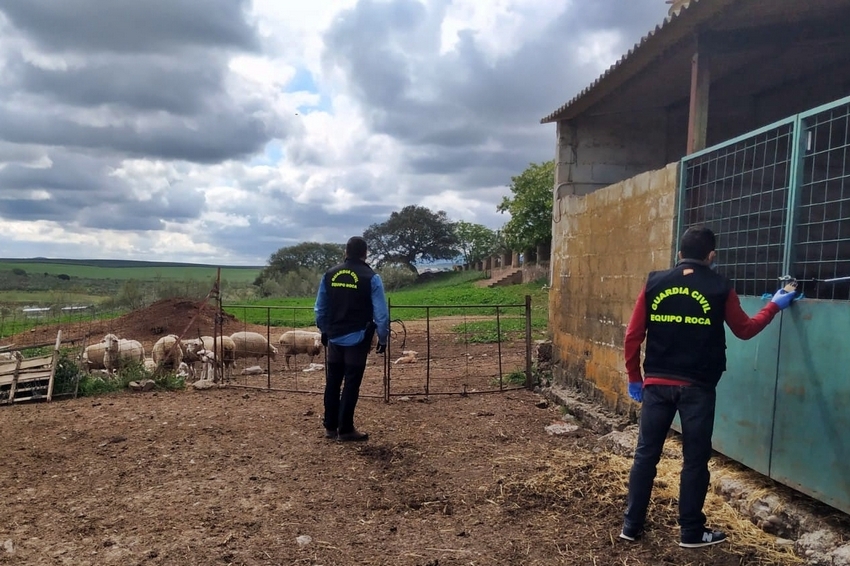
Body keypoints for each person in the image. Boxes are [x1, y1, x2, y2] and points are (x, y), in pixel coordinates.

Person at [619, 226, 797, 548]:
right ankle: (690, 532)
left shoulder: (654, 282)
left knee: (645, 455)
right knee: (695, 460)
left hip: (657, 384)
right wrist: (775, 305)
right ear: (711, 256)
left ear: (678, 254)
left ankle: (631, 526)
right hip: (698, 387)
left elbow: (632, 335)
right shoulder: (719, 287)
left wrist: (634, 376)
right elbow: (744, 329)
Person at [314, 236, 389, 442]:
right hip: (357, 338)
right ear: (365, 253)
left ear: (345, 252)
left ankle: (330, 427)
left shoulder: (329, 274)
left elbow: (320, 307)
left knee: (333, 381)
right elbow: (381, 313)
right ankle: (345, 429)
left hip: (334, 337)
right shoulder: (371, 277)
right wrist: (383, 338)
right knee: (351, 382)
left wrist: (324, 329)